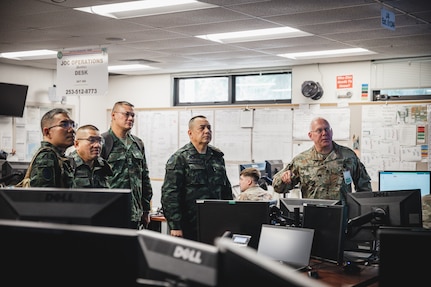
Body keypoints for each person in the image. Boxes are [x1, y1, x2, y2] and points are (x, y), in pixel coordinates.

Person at [161, 115, 233, 241]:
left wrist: (229, 216)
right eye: (202, 128)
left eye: (209, 128)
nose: (207, 131)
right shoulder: (180, 158)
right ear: (190, 133)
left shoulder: (217, 156)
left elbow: (226, 188)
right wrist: (175, 225)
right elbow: (170, 194)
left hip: (216, 222)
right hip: (190, 224)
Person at [272, 117, 372, 202]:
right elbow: (278, 187)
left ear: (331, 132)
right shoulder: (301, 161)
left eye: (327, 129)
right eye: (319, 130)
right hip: (313, 215)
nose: (324, 133)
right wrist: (283, 180)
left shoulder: (348, 156)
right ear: (310, 135)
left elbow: (364, 186)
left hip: (342, 215)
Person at [101, 101, 153, 230]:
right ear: (113, 116)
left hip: (135, 213)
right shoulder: (102, 142)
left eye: (133, 115)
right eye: (126, 114)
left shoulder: (137, 143)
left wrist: (146, 210)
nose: (130, 118)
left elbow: (144, 177)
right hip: (110, 212)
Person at [27, 108, 76, 188]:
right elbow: (43, 197)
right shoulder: (47, 156)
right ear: (47, 132)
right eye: (64, 124)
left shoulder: (58, 156)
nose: (72, 130)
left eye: (72, 125)